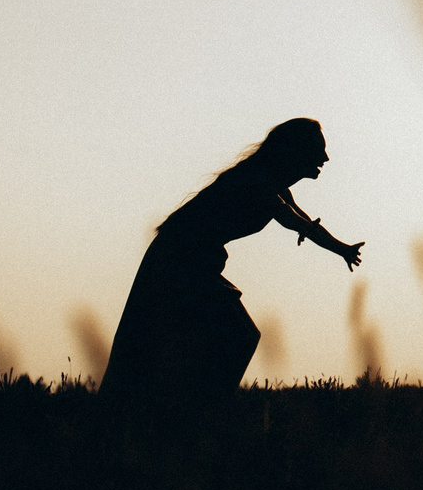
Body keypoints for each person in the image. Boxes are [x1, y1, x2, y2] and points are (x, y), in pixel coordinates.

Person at [100, 118, 363, 400]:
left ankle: (192, 404)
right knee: (236, 335)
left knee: (214, 338)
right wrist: (338, 248)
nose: (325, 157)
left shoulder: (274, 187)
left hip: (192, 262)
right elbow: (296, 222)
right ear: (295, 151)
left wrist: (343, 249)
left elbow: (305, 223)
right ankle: (205, 406)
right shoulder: (258, 181)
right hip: (178, 261)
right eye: (318, 150)